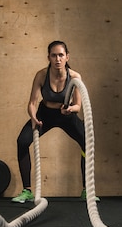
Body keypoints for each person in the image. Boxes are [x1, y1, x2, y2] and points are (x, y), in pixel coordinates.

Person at [12, 40, 98, 203]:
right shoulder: (41, 75)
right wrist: (33, 116)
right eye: (54, 55)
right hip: (45, 114)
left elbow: (78, 105)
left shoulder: (74, 77)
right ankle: (27, 191)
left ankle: (87, 190)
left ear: (67, 57)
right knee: (22, 141)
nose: (57, 59)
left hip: (66, 114)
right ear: (48, 57)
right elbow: (32, 102)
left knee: (87, 143)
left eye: (61, 55)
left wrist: (69, 110)